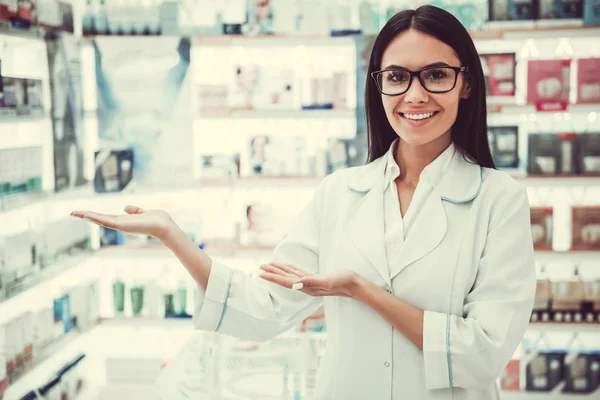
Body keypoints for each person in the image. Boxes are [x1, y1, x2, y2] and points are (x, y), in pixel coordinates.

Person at [72, 5, 536, 399]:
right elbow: (263, 309)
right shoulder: (341, 193)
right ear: (379, 86)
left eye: (436, 75)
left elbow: (484, 352)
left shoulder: (498, 201)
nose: (415, 95)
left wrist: (361, 290)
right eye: (397, 77)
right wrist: (171, 235)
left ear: (467, 84)